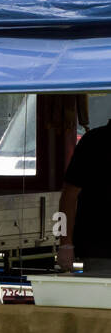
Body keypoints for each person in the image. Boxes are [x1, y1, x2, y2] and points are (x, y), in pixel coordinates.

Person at [57, 116, 111, 276]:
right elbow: (68, 196)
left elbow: (68, 196)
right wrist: (65, 244)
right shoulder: (94, 141)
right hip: (101, 252)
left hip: (97, 251)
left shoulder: (92, 139)